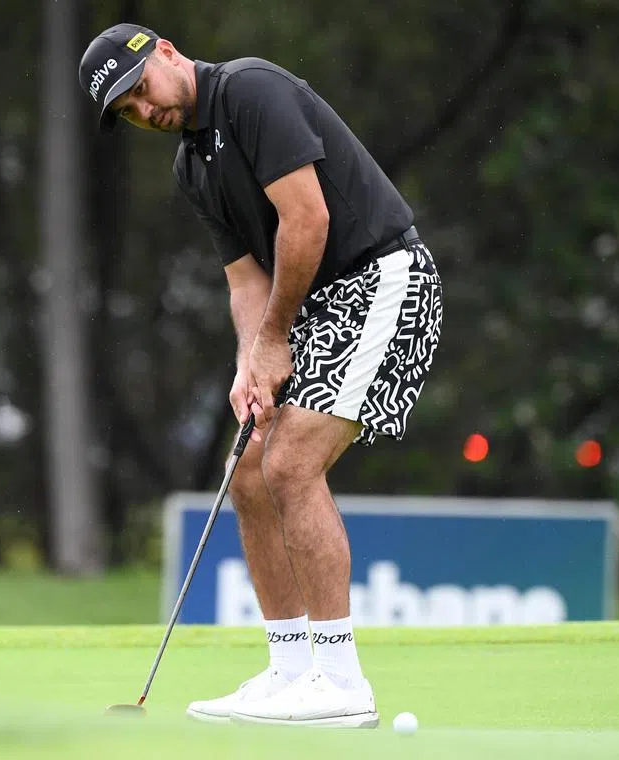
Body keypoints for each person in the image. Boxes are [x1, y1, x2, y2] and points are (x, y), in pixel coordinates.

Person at [79, 23, 443, 728]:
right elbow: (246, 280)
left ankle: (341, 683)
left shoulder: (249, 91)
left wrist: (276, 339)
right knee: (249, 471)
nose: (144, 111)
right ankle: (289, 671)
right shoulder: (192, 166)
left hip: (386, 279)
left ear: (166, 54)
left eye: (140, 91)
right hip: (322, 304)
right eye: (127, 112)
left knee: (291, 463)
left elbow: (305, 220)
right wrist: (252, 362)